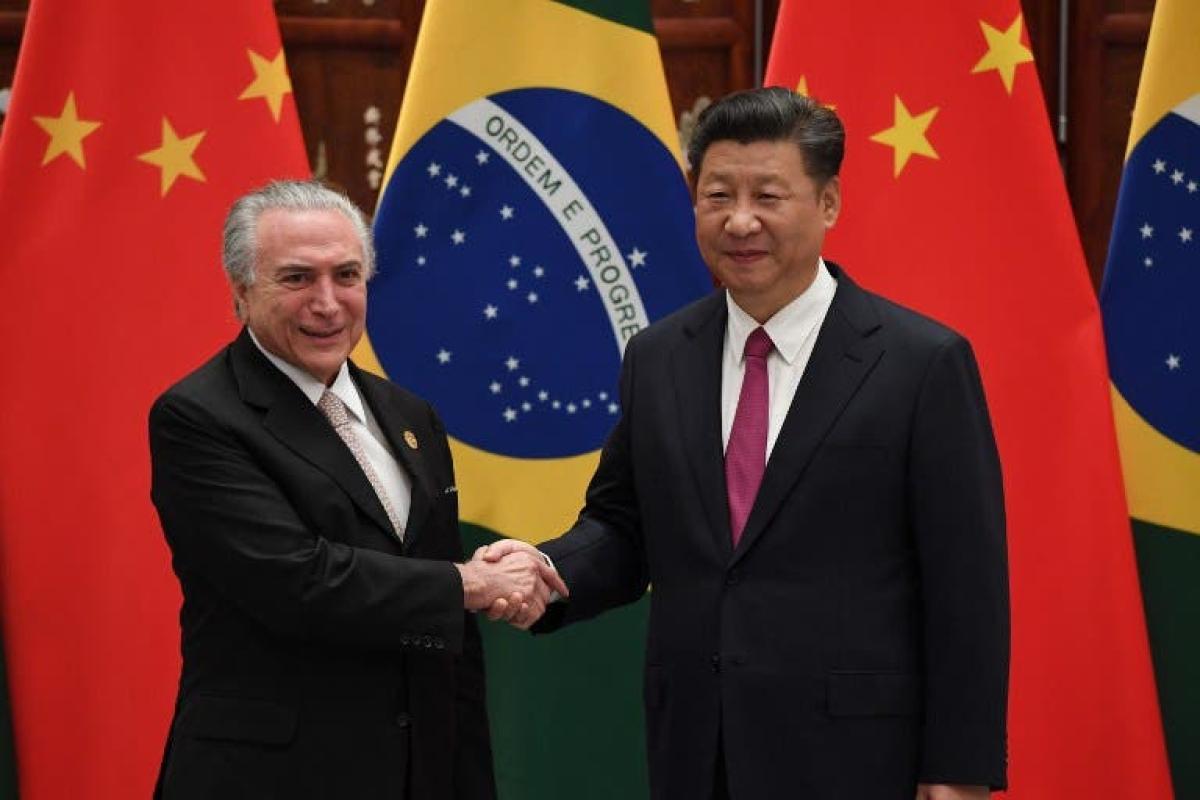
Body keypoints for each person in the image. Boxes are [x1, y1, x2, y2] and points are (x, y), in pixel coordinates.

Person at [484, 88, 1009, 799]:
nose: (739, 221)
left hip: (857, 756)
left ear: (828, 203)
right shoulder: (659, 356)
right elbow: (623, 525)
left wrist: (959, 770)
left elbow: (966, 586)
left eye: (767, 196)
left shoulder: (920, 363)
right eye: (717, 195)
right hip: (698, 751)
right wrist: (545, 569)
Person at [149, 179, 565, 799]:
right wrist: (471, 582)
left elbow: (445, 638)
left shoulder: (409, 415)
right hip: (273, 777)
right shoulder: (198, 416)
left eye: (346, 275)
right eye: (297, 279)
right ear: (241, 290)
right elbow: (295, 581)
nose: (327, 303)